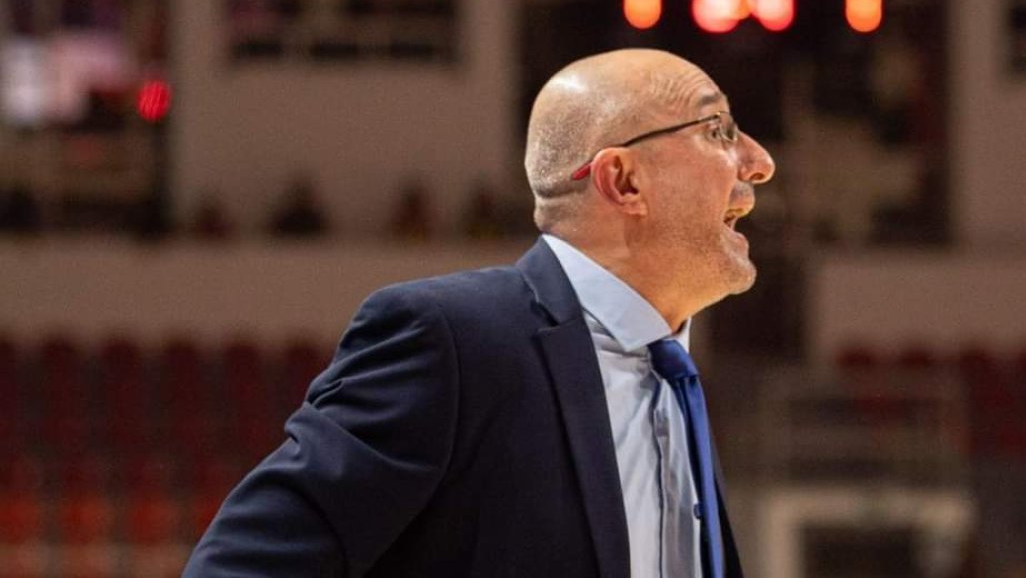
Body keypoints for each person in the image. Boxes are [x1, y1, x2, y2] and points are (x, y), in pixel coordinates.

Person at [184, 48, 776, 577]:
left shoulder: (671, 372)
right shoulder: (455, 339)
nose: (759, 161)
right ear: (623, 180)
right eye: (718, 129)